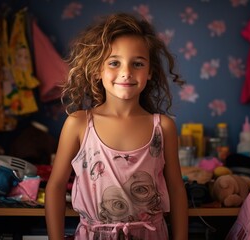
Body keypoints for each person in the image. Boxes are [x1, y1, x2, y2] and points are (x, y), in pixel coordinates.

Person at [45, 12, 188, 240]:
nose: (126, 72)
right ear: (97, 70)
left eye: (138, 63)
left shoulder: (163, 128)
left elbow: (177, 190)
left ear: (150, 71)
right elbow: (55, 186)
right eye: (114, 62)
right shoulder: (79, 124)